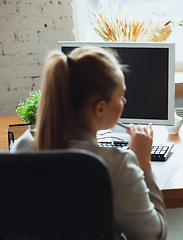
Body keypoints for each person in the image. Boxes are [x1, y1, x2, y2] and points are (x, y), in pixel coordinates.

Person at [10, 46, 166, 240]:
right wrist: (143, 163)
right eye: (121, 96)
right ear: (100, 108)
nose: (124, 101)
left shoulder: (21, 148)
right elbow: (153, 236)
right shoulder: (117, 164)